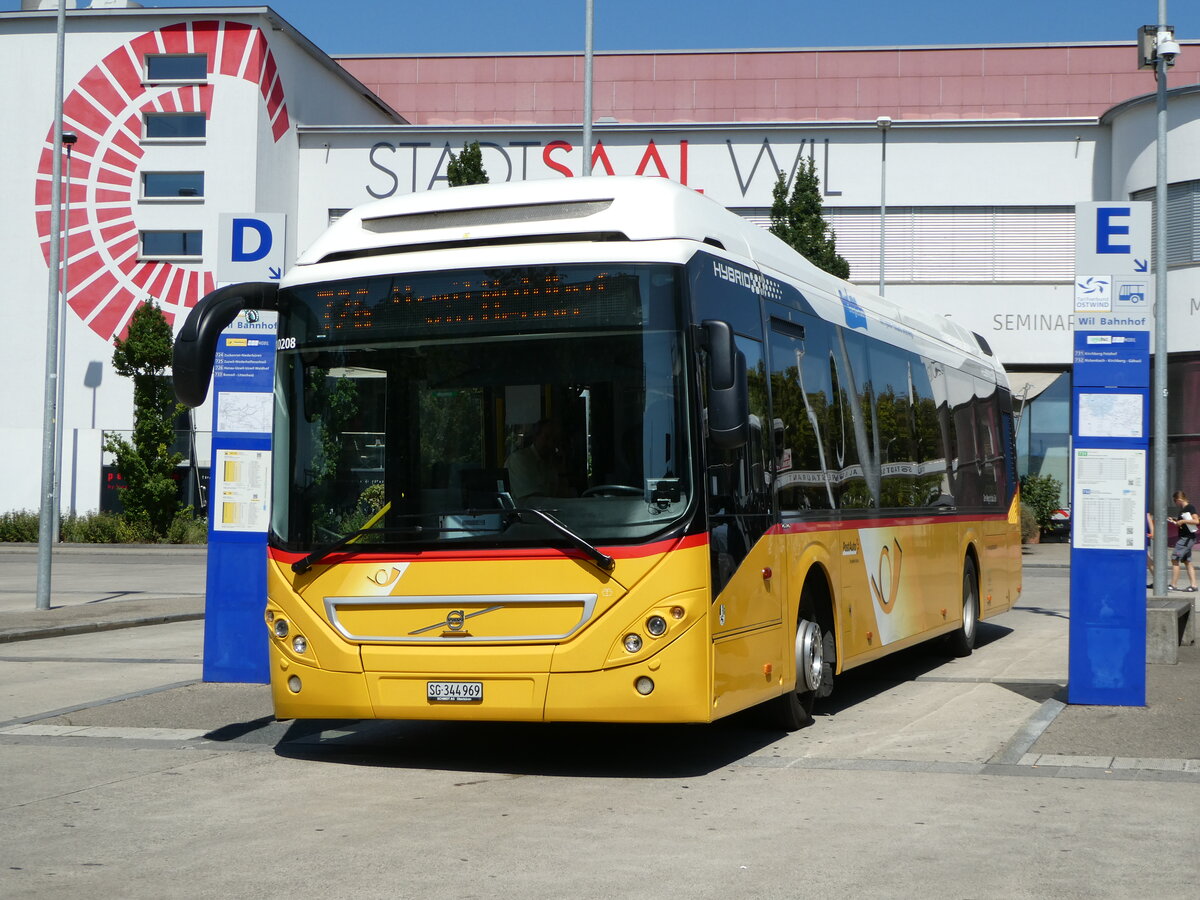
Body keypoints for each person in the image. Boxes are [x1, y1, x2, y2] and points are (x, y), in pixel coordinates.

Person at [505, 418, 573, 503]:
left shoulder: (551, 463)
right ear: (535, 437)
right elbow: (533, 500)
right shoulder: (520, 460)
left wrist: (562, 470)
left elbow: (564, 496)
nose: (551, 443)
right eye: (546, 437)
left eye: (555, 440)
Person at [1167, 490, 1198, 592]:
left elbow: (1196, 521)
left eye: (1175, 501)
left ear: (1179, 500)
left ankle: (1173, 584)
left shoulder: (1190, 507)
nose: (1175, 503)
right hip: (1186, 537)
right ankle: (1194, 585)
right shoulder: (1183, 509)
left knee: (1174, 558)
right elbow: (1183, 523)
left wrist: (1183, 521)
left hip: (1187, 538)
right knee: (1187, 561)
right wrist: (1175, 521)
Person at [1146, 511, 1155, 589]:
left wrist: (1152, 533)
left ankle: (1159, 580)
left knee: (1148, 560)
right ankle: (1158, 580)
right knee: (1147, 560)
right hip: (1143, 536)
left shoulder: (1145, 510)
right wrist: (1152, 532)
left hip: (1143, 538)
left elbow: (1149, 518)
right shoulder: (1145, 510)